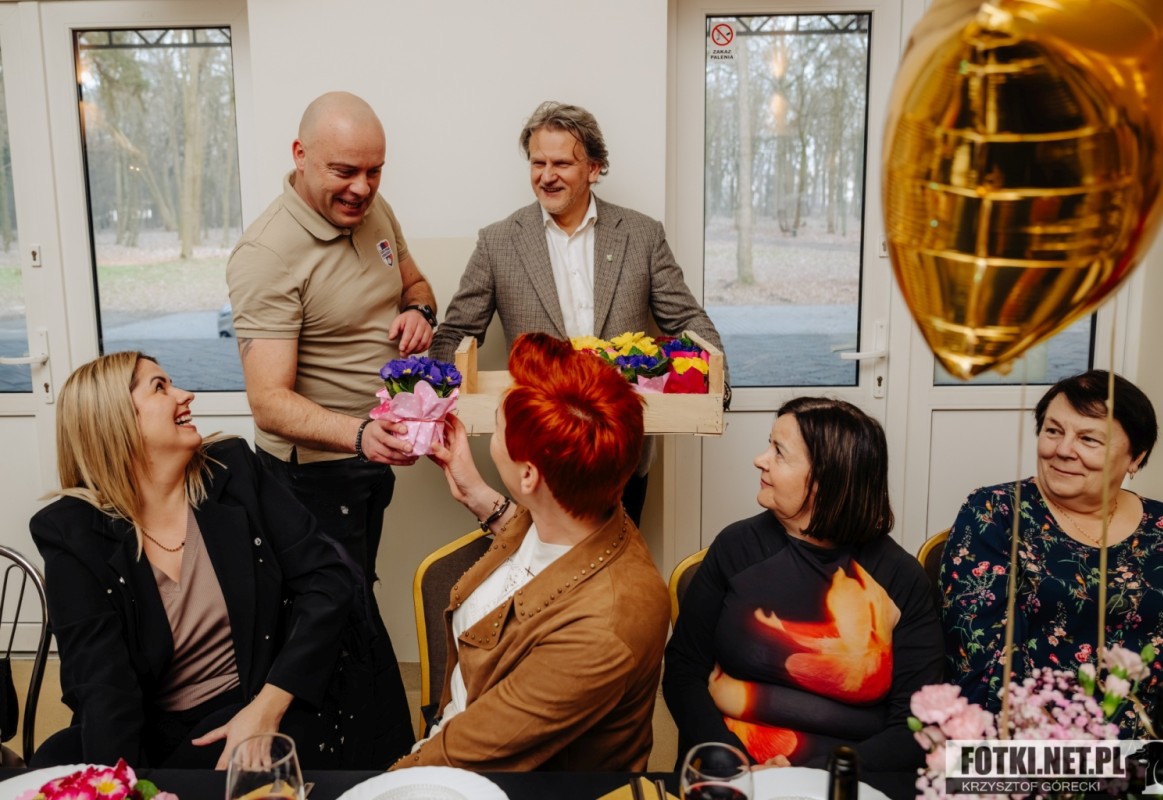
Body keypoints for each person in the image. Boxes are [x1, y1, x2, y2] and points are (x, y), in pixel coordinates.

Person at [29, 352, 353, 769]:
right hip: (152, 722)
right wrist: (121, 787)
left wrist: (267, 707)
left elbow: (327, 580)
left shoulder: (232, 471)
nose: (186, 395)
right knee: (57, 759)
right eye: (160, 388)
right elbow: (102, 684)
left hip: (252, 699)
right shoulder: (72, 532)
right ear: (116, 420)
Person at [428, 100, 726, 525]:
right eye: (538, 163)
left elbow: (686, 320)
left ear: (594, 168)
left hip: (622, 451)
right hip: (536, 454)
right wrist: (433, 401)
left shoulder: (642, 235)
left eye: (562, 163)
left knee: (616, 563)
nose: (546, 176)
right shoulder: (498, 242)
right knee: (538, 564)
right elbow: (456, 331)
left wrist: (718, 382)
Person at [390, 333, 671, 771]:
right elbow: (545, 548)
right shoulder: (590, 508)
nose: (493, 433)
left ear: (528, 476)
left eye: (497, 426)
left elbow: (464, 753)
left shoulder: (600, 635)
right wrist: (478, 495)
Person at [663, 397, 942, 771]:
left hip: (847, 779)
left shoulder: (899, 578)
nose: (760, 460)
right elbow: (683, 671)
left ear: (826, 479)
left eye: (779, 453)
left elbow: (916, 723)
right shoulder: (736, 547)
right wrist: (731, 761)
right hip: (732, 771)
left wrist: (814, 777)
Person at [225, 90, 436, 585]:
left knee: (358, 589)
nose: (362, 188)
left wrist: (419, 311)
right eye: (344, 171)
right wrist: (360, 435)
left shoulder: (375, 210)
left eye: (374, 171)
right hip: (311, 476)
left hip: (371, 453)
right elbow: (268, 403)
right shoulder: (266, 254)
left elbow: (416, 284)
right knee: (331, 608)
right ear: (300, 156)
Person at [941, 370, 1163, 736]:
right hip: (1040, 745)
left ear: (1136, 457)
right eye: (1053, 431)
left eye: (1088, 439)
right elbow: (980, 661)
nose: (1063, 450)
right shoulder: (995, 514)